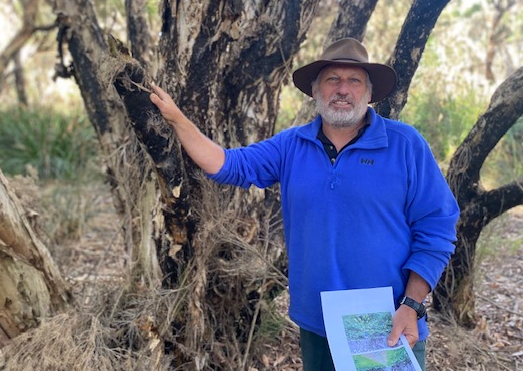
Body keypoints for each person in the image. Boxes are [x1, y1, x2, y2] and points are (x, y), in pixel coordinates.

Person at [149, 37, 459, 371]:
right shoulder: (291, 145)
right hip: (318, 321)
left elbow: (437, 229)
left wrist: (411, 304)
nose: (343, 89)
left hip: (386, 320)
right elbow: (227, 165)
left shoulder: (405, 145)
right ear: (315, 91)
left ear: (369, 93)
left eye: (354, 80)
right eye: (332, 79)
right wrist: (177, 120)